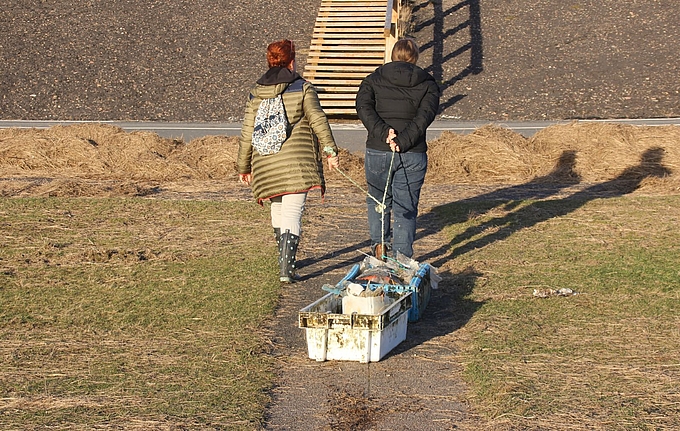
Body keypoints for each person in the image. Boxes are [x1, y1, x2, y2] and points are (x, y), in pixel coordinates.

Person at [237, 39, 339, 283]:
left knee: (278, 209)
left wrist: (244, 165)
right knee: (293, 212)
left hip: (265, 163)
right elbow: (318, 120)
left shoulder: (256, 92)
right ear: (292, 61)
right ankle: (287, 269)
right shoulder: (302, 88)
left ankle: (285, 263)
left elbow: (247, 131)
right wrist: (330, 150)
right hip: (297, 164)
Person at [355, 38, 440, 260]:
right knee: (406, 207)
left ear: (392, 56)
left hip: (378, 149)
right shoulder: (428, 83)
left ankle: (379, 248)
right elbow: (425, 117)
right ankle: (402, 260)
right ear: (415, 58)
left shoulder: (373, 80)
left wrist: (384, 133)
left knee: (378, 201)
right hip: (412, 152)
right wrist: (403, 139)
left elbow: (363, 107)